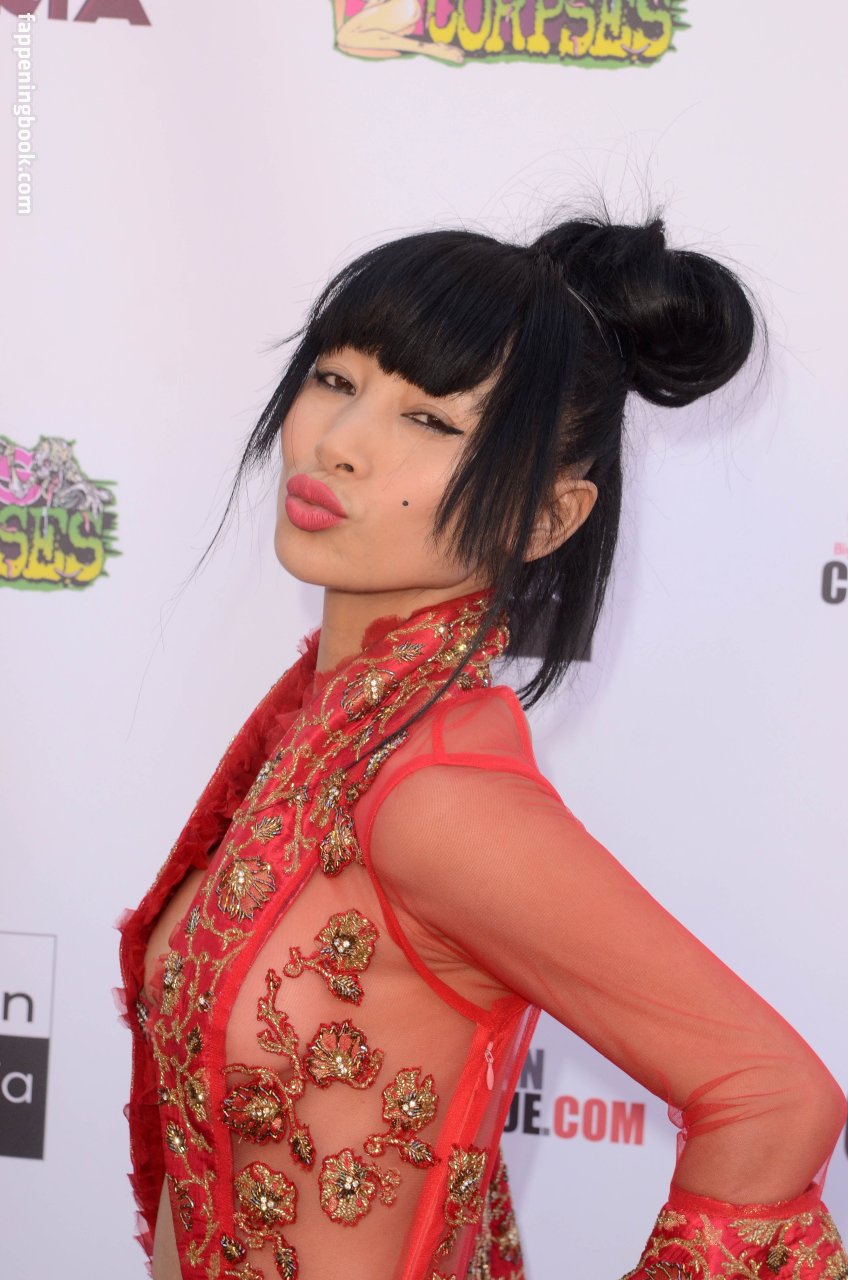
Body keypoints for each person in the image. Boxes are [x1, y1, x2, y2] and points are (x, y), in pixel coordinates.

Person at [116, 211, 848, 1280]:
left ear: (547, 518)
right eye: (334, 377)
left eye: (428, 418)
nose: (338, 440)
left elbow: (772, 1095)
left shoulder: (438, 796)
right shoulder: (323, 731)